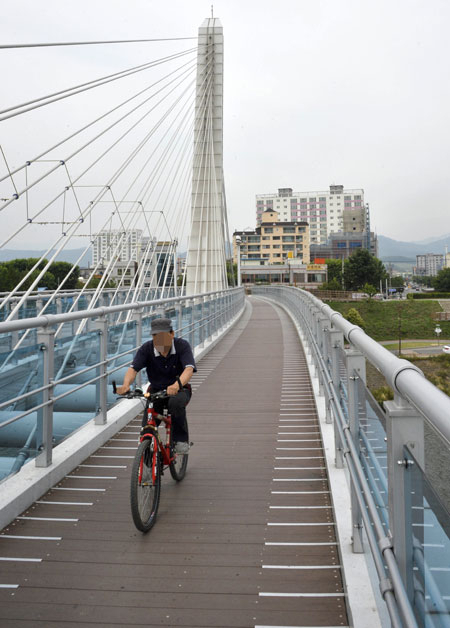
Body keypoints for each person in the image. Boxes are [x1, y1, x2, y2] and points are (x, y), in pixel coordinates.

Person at [116, 317, 196, 453]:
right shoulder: (147, 348)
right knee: (148, 422)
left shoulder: (182, 346)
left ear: (172, 334)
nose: (158, 339)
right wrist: (125, 385)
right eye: (155, 336)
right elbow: (133, 369)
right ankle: (146, 457)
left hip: (179, 389)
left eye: (162, 335)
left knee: (175, 405)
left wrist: (177, 385)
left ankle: (180, 440)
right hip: (156, 391)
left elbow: (189, 368)